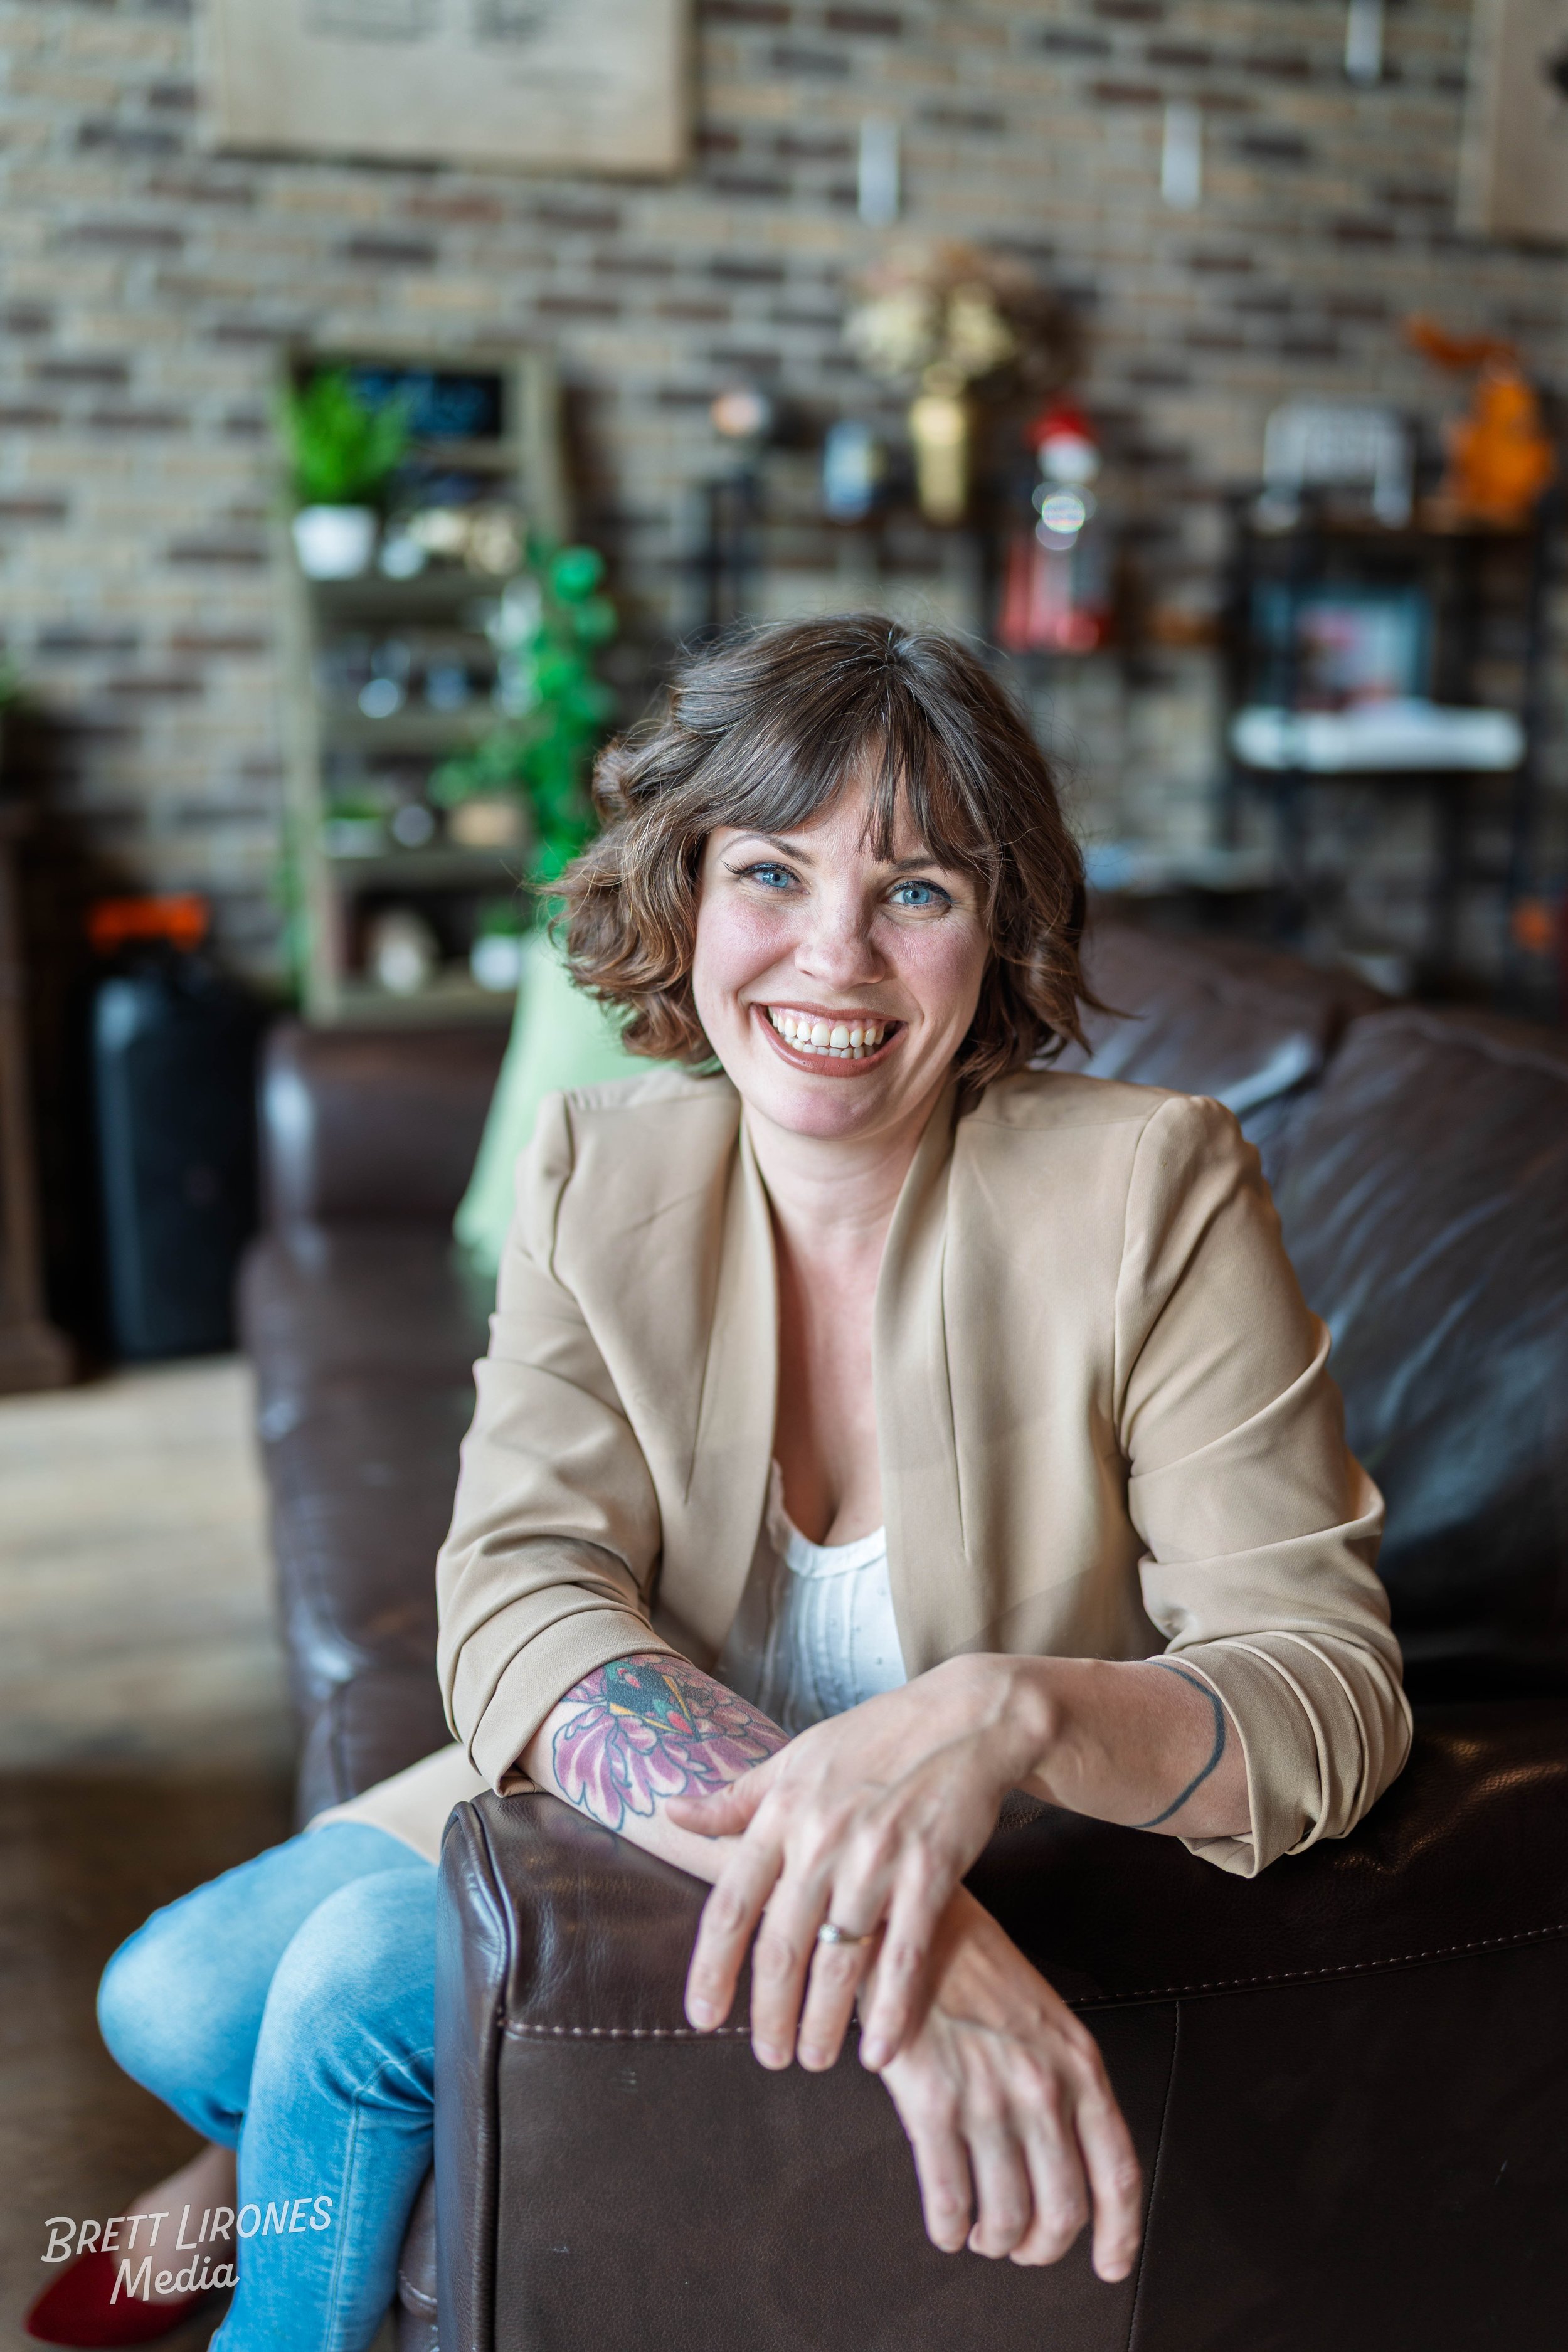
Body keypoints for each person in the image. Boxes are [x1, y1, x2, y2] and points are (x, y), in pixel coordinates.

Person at [57, 617, 1408, 2352]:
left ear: (994, 933)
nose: (833, 959)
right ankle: (252, 2179)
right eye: (771, 872)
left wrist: (1001, 1716)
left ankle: (272, 2208)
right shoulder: (599, 1161)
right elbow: (519, 1584)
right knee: (164, 2002)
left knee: (345, 2001)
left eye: (914, 891)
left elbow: (1328, 1691)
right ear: (684, 895)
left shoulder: (1155, 1187)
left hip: (1000, 1861)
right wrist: (892, 1950)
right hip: (642, 1792)